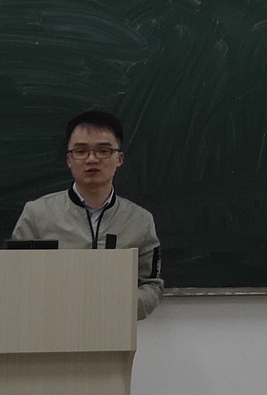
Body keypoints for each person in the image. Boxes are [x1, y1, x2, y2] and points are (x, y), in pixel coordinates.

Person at [12, 110, 164, 320]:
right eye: (81, 151)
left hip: (113, 330)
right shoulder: (37, 215)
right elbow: (15, 277)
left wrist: (117, 306)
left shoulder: (140, 221)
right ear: (69, 159)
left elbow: (151, 285)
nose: (92, 159)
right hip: (50, 328)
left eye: (103, 150)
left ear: (119, 159)